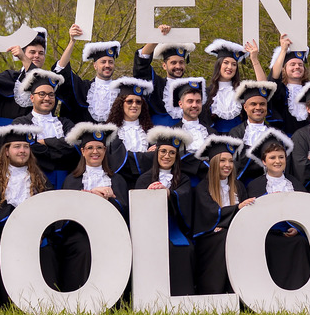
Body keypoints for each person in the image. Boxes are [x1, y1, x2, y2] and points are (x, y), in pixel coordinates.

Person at [0, 124, 56, 305]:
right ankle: (4, 302)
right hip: (3, 234)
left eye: (26, 147)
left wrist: (41, 232)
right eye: (17, 147)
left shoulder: (40, 177)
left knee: (48, 251)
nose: (22, 151)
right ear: (7, 151)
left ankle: (43, 301)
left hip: (35, 233)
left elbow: (51, 209)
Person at [60, 122, 130, 292]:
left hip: (111, 232)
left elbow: (126, 211)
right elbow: (65, 214)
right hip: (80, 232)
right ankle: (80, 294)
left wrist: (111, 199)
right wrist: (90, 195)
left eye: (99, 147)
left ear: (105, 151)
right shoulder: (72, 179)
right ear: (83, 151)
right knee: (84, 248)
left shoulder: (117, 179)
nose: (95, 152)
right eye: (90, 148)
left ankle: (111, 295)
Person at [244, 130, 310, 291]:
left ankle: (299, 289)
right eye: (272, 157)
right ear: (264, 161)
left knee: (301, 243)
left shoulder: (295, 184)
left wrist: (297, 228)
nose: (277, 161)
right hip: (267, 234)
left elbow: (306, 211)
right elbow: (252, 215)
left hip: (293, 234)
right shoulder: (254, 186)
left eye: (281, 157)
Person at [136, 127, 197, 296]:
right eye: (163, 151)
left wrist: (170, 193)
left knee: (184, 249)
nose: (167, 156)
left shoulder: (182, 179)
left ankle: (182, 296)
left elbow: (185, 197)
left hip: (174, 227)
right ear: (156, 153)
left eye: (172, 152)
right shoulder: (144, 178)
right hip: (150, 230)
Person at [191, 136, 255, 294]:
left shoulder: (238, 186)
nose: (228, 165)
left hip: (235, 230)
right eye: (222, 161)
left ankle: (243, 291)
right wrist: (236, 208)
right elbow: (209, 214)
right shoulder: (203, 188)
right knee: (225, 237)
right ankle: (216, 291)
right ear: (213, 163)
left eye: (231, 161)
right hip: (210, 237)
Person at [5, 68, 78, 191]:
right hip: (33, 175)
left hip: (64, 177)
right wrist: (58, 149)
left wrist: (45, 142)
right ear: (32, 98)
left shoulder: (65, 123)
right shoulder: (21, 123)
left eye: (51, 95)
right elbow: (30, 150)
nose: (47, 98)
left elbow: (73, 146)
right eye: (42, 94)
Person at [53, 23, 121, 123]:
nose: (107, 65)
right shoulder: (84, 88)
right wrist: (72, 41)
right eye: (103, 62)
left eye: (110, 62)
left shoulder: (121, 91)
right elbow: (61, 72)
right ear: (95, 65)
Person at [103, 76, 155, 187]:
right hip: (119, 183)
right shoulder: (109, 131)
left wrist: (129, 155)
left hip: (147, 182)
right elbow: (117, 160)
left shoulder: (151, 132)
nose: (134, 105)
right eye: (129, 101)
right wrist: (146, 156)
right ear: (121, 104)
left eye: (138, 102)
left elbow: (156, 160)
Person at [133, 24, 194, 119]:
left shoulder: (192, 87)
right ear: (164, 66)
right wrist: (157, 36)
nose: (178, 66)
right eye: (173, 63)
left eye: (181, 62)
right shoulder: (157, 84)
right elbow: (142, 64)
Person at [227, 79, 279, 185]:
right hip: (243, 183)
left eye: (262, 104)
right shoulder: (235, 133)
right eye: (253, 104)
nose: (258, 108)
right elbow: (236, 162)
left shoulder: (276, 134)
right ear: (245, 107)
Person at [267, 33, 310, 134]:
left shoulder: (309, 89)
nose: (297, 67)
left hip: (307, 139)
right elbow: (274, 77)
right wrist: (283, 50)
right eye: (292, 64)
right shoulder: (281, 90)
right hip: (285, 138)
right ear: (284, 69)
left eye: (300, 64)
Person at [168, 78, 212, 175]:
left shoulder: (212, 132)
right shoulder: (171, 133)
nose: (194, 105)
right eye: (190, 101)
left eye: (198, 101)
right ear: (181, 104)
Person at [204, 39, 248, 134]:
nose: (230, 67)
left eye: (234, 64)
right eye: (226, 62)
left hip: (239, 138)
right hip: (215, 139)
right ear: (219, 65)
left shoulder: (243, 91)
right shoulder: (206, 92)